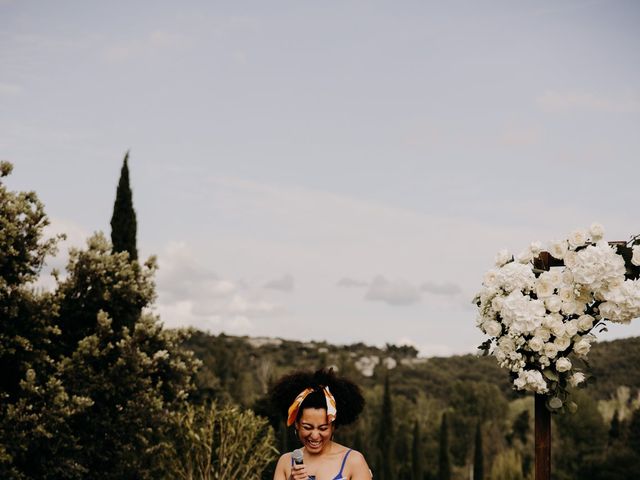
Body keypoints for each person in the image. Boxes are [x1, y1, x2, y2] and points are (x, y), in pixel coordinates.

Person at [270, 368, 373, 480]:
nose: (314, 435)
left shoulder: (354, 461)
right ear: (296, 424)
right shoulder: (285, 462)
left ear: (333, 427)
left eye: (323, 428)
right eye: (307, 427)